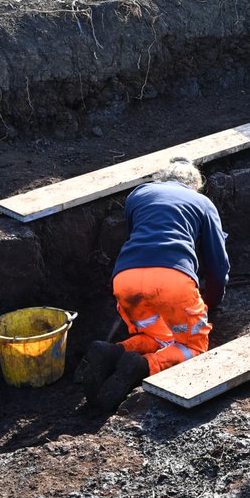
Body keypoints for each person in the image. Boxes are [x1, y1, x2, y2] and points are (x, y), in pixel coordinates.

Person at [75, 157, 231, 412]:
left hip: (126, 278)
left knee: (156, 334)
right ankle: (144, 366)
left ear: (162, 178)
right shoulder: (203, 203)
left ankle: (115, 351)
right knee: (193, 345)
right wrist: (212, 301)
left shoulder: (138, 194)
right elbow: (218, 265)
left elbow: (140, 234)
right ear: (195, 185)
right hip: (172, 280)